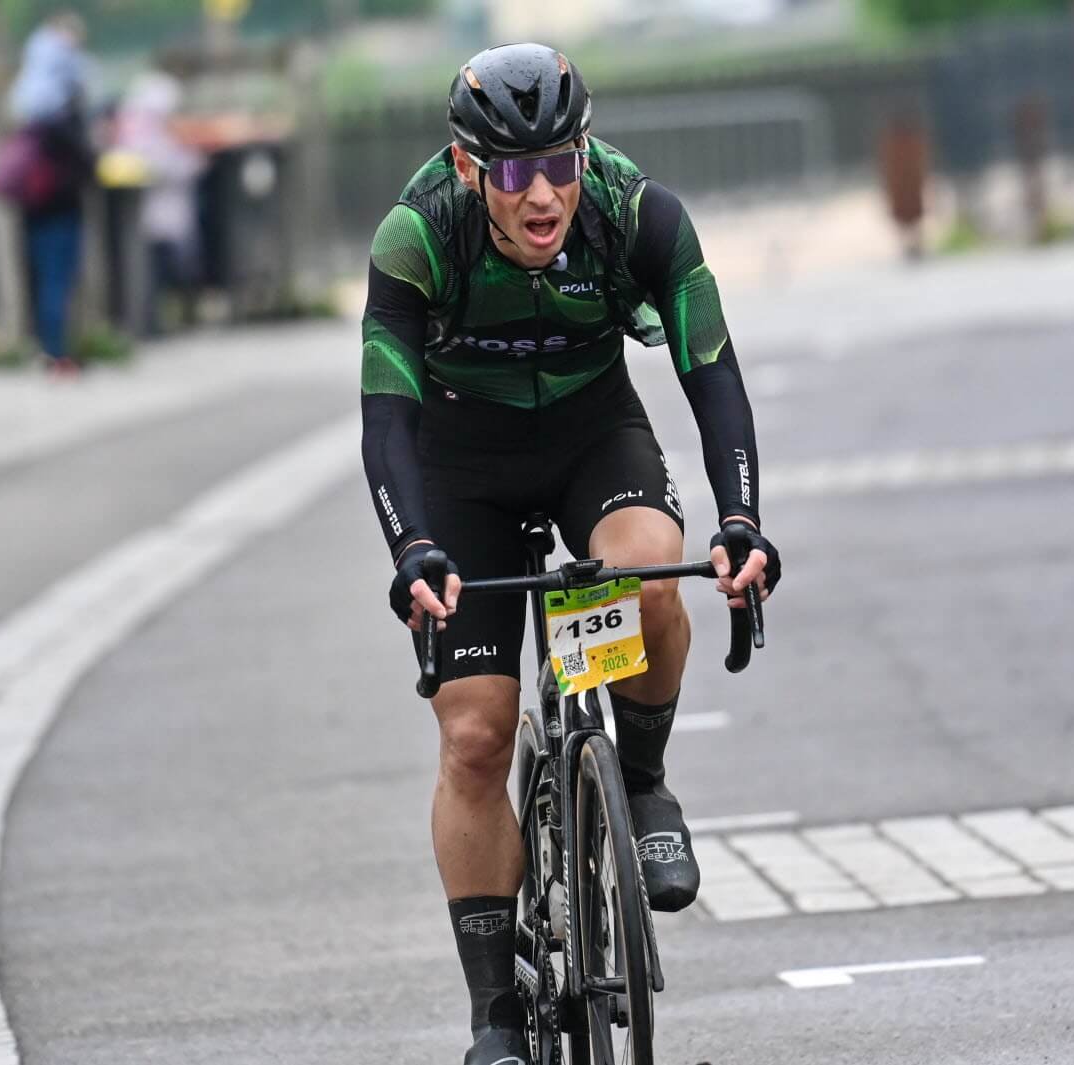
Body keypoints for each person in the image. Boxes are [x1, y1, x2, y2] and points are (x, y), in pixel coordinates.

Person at [358, 44, 781, 1064]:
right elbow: (385, 415)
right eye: (513, 172)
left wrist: (739, 519)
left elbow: (709, 370)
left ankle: (640, 784)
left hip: (594, 436)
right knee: (474, 738)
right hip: (462, 461)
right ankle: (496, 1011)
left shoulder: (639, 215)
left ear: (583, 151)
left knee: (646, 577)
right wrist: (412, 544)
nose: (541, 192)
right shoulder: (418, 235)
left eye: (559, 163)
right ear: (471, 172)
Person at [8, 11, 99, 373]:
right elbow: (79, 155)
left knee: (42, 275)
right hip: (59, 203)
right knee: (57, 277)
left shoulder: (27, 97)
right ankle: (56, 351)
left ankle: (47, 346)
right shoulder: (57, 105)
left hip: (35, 203)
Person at [110, 71, 205, 336]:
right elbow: (164, 165)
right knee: (156, 272)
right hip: (152, 215)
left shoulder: (151, 130)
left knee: (166, 269)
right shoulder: (144, 132)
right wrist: (192, 164)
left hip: (161, 214)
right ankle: (152, 323)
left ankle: (162, 319)